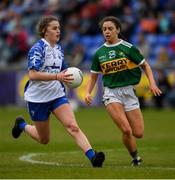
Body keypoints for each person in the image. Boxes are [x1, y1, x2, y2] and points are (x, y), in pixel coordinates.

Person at [12, 15, 105, 168]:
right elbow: (32, 74)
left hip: (57, 95)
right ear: (44, 31)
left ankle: (93, 157)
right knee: (44, 139)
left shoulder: (59, 49)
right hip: (38, 99)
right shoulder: (37, 48)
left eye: (59, 28)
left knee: (73, 126)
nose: (58, 31)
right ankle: (22, 125)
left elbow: (64, 70)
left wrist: (73, 77)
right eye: (54, 28)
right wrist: (57, 76)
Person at [84, 16, 162, 166]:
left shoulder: (128, 48)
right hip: (111, 93)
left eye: (110, 29)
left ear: (118, 30)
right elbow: (93, 77)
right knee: (126, 130)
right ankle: (135, 158)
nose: (107, 31)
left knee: (138, 133)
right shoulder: (99, 53)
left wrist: (153, 84)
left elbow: (145, 66)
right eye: (104, 29)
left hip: (129, 92)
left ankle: (133, 151)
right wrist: (88, 93)